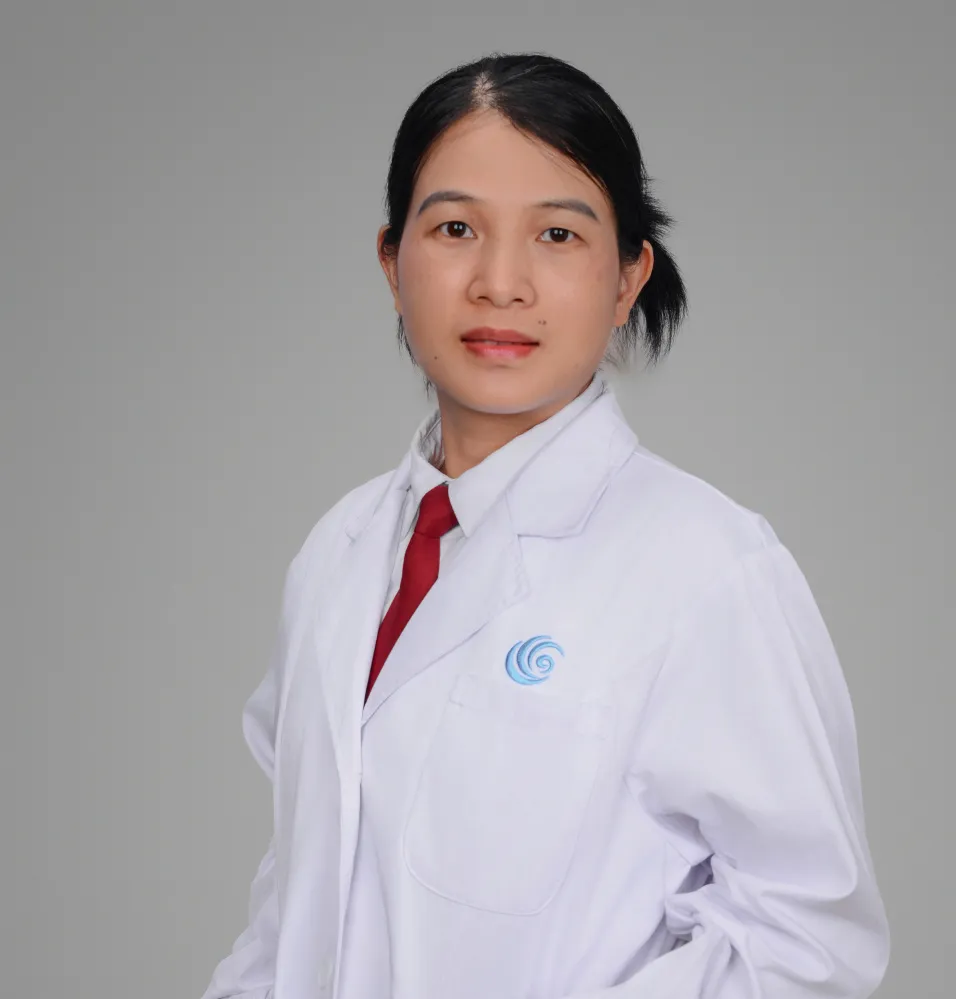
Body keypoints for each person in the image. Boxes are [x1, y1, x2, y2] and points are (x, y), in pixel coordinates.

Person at [202, 52, 890, 999]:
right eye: (454, 228)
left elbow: (805, 944)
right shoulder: (337, 553)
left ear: (627, 278)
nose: (500, 283)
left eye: (557, 234)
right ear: (392, 262)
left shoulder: (707, 568)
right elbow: (297, 904)